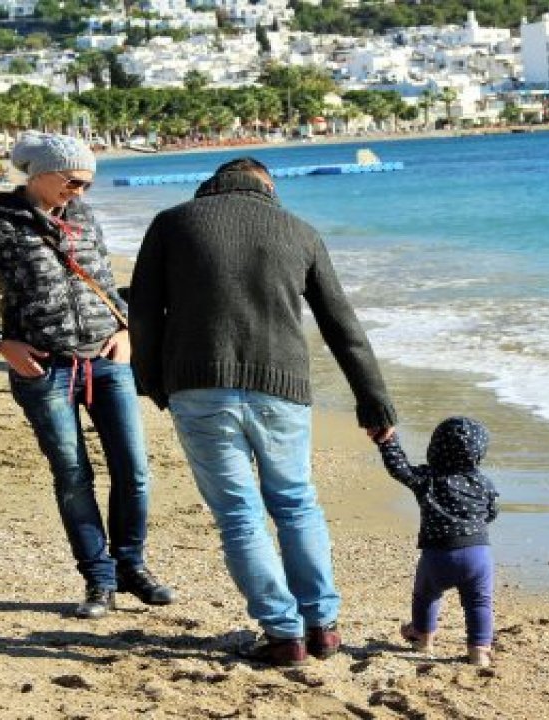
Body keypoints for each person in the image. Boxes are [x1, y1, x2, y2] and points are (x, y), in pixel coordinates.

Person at [128, 156, 397, 668]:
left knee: (238, 515)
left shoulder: (172, 223)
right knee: (296, 503)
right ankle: (323, 627)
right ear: (267, 186)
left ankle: (283, 635)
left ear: (211, 186)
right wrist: (373, 400)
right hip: (283, 388)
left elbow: (143, 310)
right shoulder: (299, 230)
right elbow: (343, 325)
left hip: (198, 386)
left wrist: (153, 382)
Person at [0, 131, 175, 620]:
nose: (81, 192)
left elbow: (106, 285)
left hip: (107, 362)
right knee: (72, 476)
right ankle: (99, 579)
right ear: (40, 174)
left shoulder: (85, 217)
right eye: (73, 181)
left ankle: (131, 565)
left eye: (87, 183)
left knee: (135, 470)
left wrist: (126, 328)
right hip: (42, 369)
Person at [377, 417, 499, 667]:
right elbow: (492, 512)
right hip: (477, 554)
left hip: (437, 555)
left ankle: (422, 636)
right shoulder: (483, 482)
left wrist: (388, 441)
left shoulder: (428, 479)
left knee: (426, 596)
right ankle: (479, 649)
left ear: (434, 448)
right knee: (479, 602)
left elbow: (399, 468)